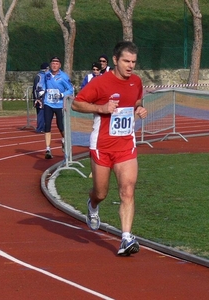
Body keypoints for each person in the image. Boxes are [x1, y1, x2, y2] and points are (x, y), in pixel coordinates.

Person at [71, 41, 148, 256]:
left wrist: (139, 109)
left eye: (133, 62)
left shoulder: (136, 81)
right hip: (102, 146)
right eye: (126, 61)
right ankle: (92, 205)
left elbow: (136, 100)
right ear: (115, 60)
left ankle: (126, 238)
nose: (130, 66)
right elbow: (76, 104)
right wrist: (101, 108)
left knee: (128, 190)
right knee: (101, 192)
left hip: (126, 145)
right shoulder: (101, 83)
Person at [41, 56, 74, 159]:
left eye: (56, 64)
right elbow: (43, 86)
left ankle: (65, 140)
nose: (54, 65)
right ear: (51, 65)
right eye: (53, 63)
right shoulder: (46, 75)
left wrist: (62, 95)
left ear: (59, 65)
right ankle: (48, 149)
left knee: (60, 126)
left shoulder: (63, 76)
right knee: (47, 125)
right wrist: (41, 94)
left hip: (59, 105)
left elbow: (70, 89)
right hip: (48, 103)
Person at [32, 62, 49, 133]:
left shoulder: (47, 76)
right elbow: (36, 88)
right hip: (40, 97)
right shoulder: (39, 76)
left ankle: (45, 128)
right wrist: (37, 98)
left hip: (46, 97)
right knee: (41, 113)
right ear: (46, 68)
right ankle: (40, 128)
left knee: (46, 113)